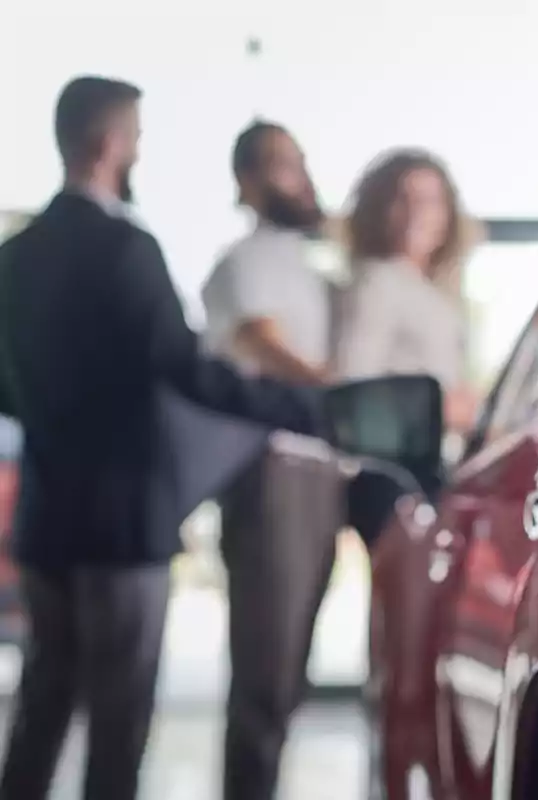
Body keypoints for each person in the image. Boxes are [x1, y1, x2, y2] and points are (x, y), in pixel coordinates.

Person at [0, 77, 325, 800]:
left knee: (42, 702)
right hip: (123, 523)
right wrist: (302, 408)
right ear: (111, 143)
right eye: (138, 138)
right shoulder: (127, 248)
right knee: (119, 719)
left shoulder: (14, 259)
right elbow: (186, 369)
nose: (140, 149)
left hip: (46, 515)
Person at [200, 120, 340, 800]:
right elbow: (262, 343)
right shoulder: (242, 263)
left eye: (302, 161)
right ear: (249, 181)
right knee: (266, 668)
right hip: (272, 471)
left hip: (316, 473)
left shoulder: (304, 268)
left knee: (289, 672)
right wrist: (344, 396)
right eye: (286, 165)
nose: (303, 177)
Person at [336, 148, 479, 437]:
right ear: (377, 210)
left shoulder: (427, 290)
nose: (416, 214)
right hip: (396, 459)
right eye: (402, 200)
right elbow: (354, 385)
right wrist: (445, 409)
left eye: (430, 202)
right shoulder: (377, 282)